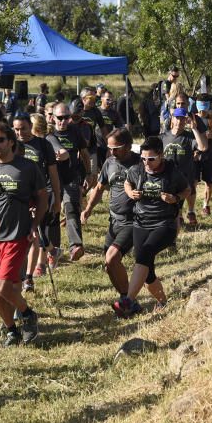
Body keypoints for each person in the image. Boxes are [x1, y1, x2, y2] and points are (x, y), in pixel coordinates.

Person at [0, 122, 48, 345]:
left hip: (18, 235)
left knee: (4, 286)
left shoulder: (27, 167)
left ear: (11, 142)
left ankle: (27, 314)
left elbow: (42, 198)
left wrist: (35, 224)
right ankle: (11, 330)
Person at [114, 136, 190, 317]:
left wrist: (175, 198)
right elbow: (127, 182)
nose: (147, 163)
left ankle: (128, 301)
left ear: (161, 156)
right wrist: (130, 193)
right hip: (141, 223)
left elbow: (187, 189)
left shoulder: (172, 172)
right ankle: (163, 301)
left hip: (165, 223)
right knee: (147, 268)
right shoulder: (137, 170)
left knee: (144, 254)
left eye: (151, 159)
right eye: (143, 158)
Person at [81, 129, 140, 303]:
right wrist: (88, 209)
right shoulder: (109, 163)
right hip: (114, 220)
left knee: (112, 257)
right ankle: (126, 297)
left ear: (128, 146)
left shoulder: (140, 164)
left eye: (117, 148)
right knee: (110, 265)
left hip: (133, 220)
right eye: (110, 148)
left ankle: (129, 298)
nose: (112, 152)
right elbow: (99, 188)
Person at [13, 113, 61, 290]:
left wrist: (57, 198)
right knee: (28, 236)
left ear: (30, 127)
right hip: (19, 197)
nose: (20, 133)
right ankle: (51, 250)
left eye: (23, 128)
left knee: (34, 235)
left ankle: (28, 277)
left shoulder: (43, 144)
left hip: (41, 195)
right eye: (16, 129)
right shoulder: (11, 145)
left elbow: (53, 173)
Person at [47, 102, 90, 262]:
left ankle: (75, 246)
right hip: (51, 181)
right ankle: (54, 251)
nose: (63, 121)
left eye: (67, 118)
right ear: (53, 118)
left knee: (72, 209)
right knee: (53, 214)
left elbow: (84, 153)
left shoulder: (75, 131)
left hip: (70, 177)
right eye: (60, 118)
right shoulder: (48, 134)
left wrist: (89, 173)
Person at [161, 101, 206, 228]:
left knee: (184, 195)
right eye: (177, 118)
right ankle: (177, 217)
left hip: (185, 175)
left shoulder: (189, 137)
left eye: (182, 119)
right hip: (168, 176)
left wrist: (194, 128)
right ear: (173, 119)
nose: (179, 121)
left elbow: (202, 147)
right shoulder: (164, 136)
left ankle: (186, 214)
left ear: (185, 120)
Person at [191, 100, 212, 216]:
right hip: (195, 155)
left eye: (204, 108)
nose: (202, 111)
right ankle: (191, 208)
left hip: (209, 155)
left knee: (209, 182)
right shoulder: (192, 119)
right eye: (200, 108)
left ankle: (205, 205)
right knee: (194, 182)